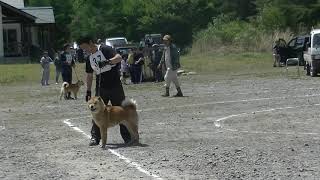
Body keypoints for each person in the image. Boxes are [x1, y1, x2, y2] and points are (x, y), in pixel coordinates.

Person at [77, 35, 131, 146]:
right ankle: (95, 137)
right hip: (101, 88)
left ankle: (128, 137)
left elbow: (119, 58)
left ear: (91, 42)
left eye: (85, 47)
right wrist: (88, 91)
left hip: (115, 85)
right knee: (97, 113)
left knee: (122, 111)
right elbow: (89, 75)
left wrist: (107, 62)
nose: (85, 50)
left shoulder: (105, 49)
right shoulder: (89, 58)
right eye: (83, 48)